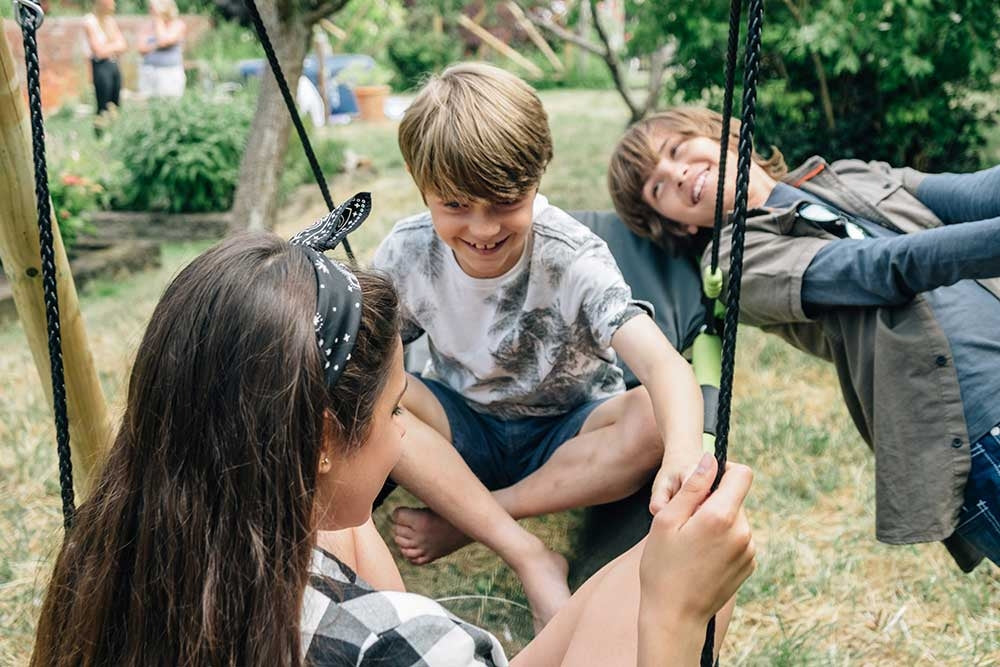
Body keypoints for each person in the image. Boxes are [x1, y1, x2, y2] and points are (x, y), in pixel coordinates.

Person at [30, 218, 757, 666]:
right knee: (671, 583)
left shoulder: (112, 561)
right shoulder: (396, 643)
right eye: (391, 412)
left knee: (348, 533)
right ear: (324, 437)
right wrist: (674, 616)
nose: (403, 432)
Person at [370, 63, 714, 628]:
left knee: (654, 417)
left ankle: (473, 517)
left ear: (538, 176)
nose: (482, 229)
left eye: (505, 202)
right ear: (418, 181)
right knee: (376, 393)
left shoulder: (571, 255)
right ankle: (529, 553)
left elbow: (663, 365)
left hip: (569, 431)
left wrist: (680, 455)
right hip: (462, 427)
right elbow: (374, 362)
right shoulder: (406, 252)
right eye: (454, 205)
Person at [608, 106, 1000, 571]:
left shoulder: (844, 175)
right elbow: (883, 267)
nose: (676, 174)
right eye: (657, 188)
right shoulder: (737, 262)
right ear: (677, 224)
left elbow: (977, 194)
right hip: (977, 428)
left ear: (722, 136)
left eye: (676, 149)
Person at [82, 0, 127, 128]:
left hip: (113, 64)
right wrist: (114, 46)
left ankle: (114, 130)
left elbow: (123, 45)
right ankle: (100, 132)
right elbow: (98, 51)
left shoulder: (110, 21)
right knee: (103, 103)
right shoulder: (90, 21)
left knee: (115, 103)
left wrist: (107, 48)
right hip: (101, 66)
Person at [137, 0, 186, 99]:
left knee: (168, 102)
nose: (151, 11)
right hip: (149, 71)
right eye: (150, 8)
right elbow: (141, 49)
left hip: (169, 73)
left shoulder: (178, 24)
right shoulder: (146, 26)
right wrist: (157, 45)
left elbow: (163, 41)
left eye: (153, 8)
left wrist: (158, 21)